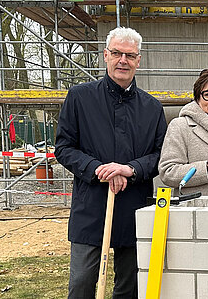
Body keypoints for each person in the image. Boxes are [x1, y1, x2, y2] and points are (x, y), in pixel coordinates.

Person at [55, 26, 167, 298]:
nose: (123, 61)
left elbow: (160, 156)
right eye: (117, 53)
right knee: (82, 283)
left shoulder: (152, 108)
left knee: (128, 287)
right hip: (91, 207)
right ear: (105, 55)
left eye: (130, 55)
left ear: (139, 60)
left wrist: (129, 169)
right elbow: (64, 147)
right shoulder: (80, 98)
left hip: (134, 206)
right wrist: (99, 169)